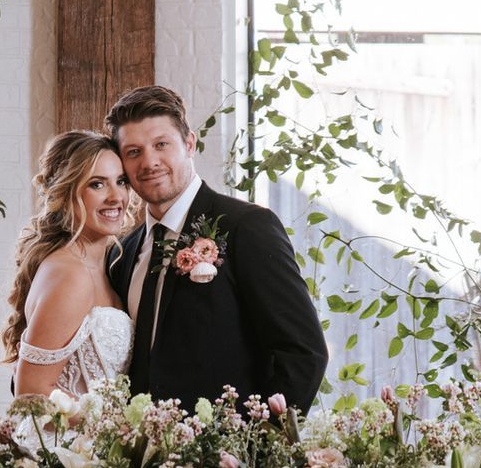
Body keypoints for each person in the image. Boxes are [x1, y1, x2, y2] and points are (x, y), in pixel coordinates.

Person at [106, 85, 327, 411]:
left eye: (161, 144)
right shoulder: (123, 252)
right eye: (134, 152)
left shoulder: (247, 227)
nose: (149, 162)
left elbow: (303, 352)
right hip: (144, 457)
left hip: (228, 452)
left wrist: (258, 450)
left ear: (189, 143)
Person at [1, 130, 136, 397]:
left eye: (120, 181)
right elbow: (31, 394)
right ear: (65, 193)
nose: (115, 197)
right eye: (97, 184)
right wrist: (112, 426)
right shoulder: (70, 274)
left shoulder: (102, 264)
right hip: (71, 438)